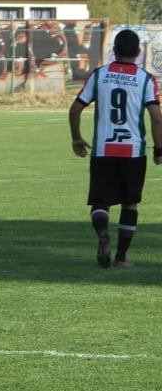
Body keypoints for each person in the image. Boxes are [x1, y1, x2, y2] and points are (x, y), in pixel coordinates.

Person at [69, 28, 162, 269]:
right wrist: (159, 149)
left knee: (100, 201)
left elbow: (75, 109)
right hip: (132, 151)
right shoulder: (146, 79)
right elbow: (156, 117)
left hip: (103, 150)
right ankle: (121, 257)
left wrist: (77, 138)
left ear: (113, 51)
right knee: (130, 203)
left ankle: (102, 232)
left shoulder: (99, 75)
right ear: (138, 53)